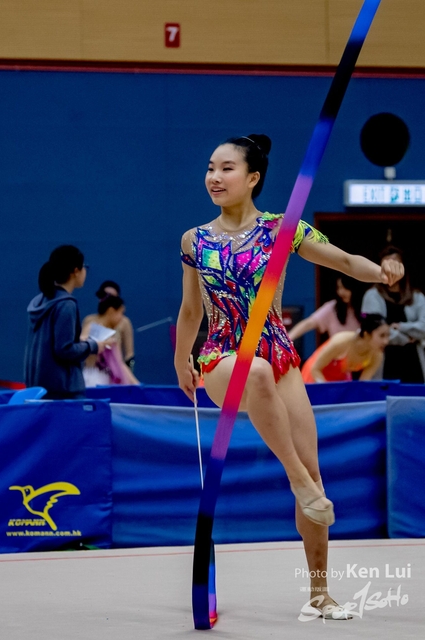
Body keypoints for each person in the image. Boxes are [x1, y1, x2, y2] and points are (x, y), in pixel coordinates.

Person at [174, 134, 403, 619]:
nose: (214, 177)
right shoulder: (195, 240)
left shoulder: (284, 230)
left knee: (316, 472)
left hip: (278, 356)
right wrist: (181, 361)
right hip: (222, 358)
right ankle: (296, 480)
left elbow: (344, 261)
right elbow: (191, 309)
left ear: (253, 177)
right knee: (255, 378)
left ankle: (320, 593)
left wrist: (382, 272)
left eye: (227, 168)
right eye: (211, 167)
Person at [24, 245, 110, 399]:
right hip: (63, 393)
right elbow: (64, 349)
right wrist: (93, 346)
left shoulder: (40, 301)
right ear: (75, 271)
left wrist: (82, 343)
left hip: (39, 389)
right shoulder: (66, 305)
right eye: (84, 267)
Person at [361, 245, 425, 383]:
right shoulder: (372, 296)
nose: (391, 269)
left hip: (414, 363)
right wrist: (407, 338)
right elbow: (373, 332)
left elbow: (424, 328)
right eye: (387, 265)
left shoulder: (418, 296)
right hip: (384, 362)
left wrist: (401, 327)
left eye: (395, 263)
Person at [301, 314, 389, 383]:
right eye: (382, 336)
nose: (386, 341)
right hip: (313, 375)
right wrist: (327, 391)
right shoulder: (341, 342)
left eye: (388, 335)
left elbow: (363, 384)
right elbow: (315, 369)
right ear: (367, 334)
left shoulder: (377, 354)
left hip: (338, 382)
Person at [81, 294, 140, 387]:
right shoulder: (91, 327)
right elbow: (81, 344)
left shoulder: (111, 334)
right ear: (111, 311)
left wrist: (137, 385)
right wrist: (99, 344)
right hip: (91, 381)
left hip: (108, 382)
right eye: (121, 313)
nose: (122, 318)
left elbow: (120, 363)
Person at [288, 274, 362, 342]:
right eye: (339, 288)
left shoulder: (364, 308)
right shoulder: (332, 308)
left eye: (345, 288)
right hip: (339, 352)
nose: (341, 292)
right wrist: (288, 338)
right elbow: (309, 323)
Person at [83, 280, 135, 372]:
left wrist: (128, 373)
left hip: (114, 373)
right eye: (105, 296)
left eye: (112, 297)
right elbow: (81, 346)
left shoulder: (124, 322)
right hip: (91, 372)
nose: (108, 300)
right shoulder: (89, 321)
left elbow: (129, 355)